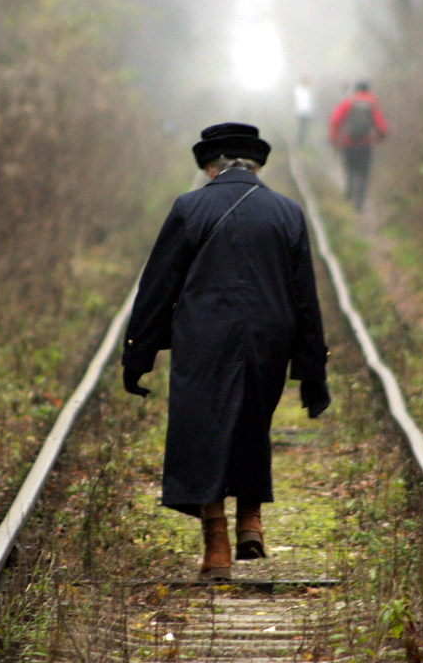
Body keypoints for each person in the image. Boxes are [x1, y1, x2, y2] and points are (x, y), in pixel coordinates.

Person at [121, 122, 330, 581]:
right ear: (255, 166)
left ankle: (216, 546)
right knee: (253, 420)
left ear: (210, 167)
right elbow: (305, 298)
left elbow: (157, 288)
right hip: (268, 335)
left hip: (204, 336)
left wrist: (137, 355)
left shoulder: (189, 207)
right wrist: (313, 371)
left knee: (204, 429)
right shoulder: (287, 212)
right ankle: (250, 522)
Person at [329, 80, 388, 210]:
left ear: (355, 90)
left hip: (348, 143)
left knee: (349, 168)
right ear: (368, 90)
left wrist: (334, 140)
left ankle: (349, 188)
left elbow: (335, 121)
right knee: (363, 172)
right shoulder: (371, 103)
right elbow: (382, 127)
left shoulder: (348, 102)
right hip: (365, 144)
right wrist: (379, 137)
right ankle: (359, 202)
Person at [293, 76, 315, 146]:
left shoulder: (305, 90)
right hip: (301, 111)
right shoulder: (300, 90)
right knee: (302, 127)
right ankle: (300, 141)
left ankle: (302, 140)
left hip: (305, 112)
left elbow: (310, 102)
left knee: (304, 127)